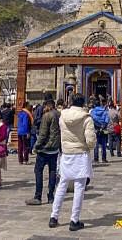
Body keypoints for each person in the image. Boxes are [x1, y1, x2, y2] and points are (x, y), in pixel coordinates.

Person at [49, 93, 96, 231]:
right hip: (80, 154)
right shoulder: (86, 118)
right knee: (79, 188)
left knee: (62, 185)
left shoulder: (62, 116)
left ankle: (54, 216)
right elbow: (91, 140)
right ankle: (74, 220)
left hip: (66, 154)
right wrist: (90, 147)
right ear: (83, 103)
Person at [26, 99, 60, 205]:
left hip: (45, 148)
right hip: (55, 148)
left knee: (38, 171)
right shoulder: (60, 115)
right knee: (52, 171)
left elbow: (43, 134)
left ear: (47, 106)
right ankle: (51, 196)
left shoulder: (47, 116)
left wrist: (36, 146)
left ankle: (38, 196)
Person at [90, 99, 109, 163]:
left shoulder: (93, 111)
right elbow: (107, 120)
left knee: (96, 144)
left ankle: (96, 158)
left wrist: (97, 125)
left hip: (96, 128)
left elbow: (92, 119)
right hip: (104, 129)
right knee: (104, 144)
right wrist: (103, 126)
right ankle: (104, 158)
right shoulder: (105, 111)